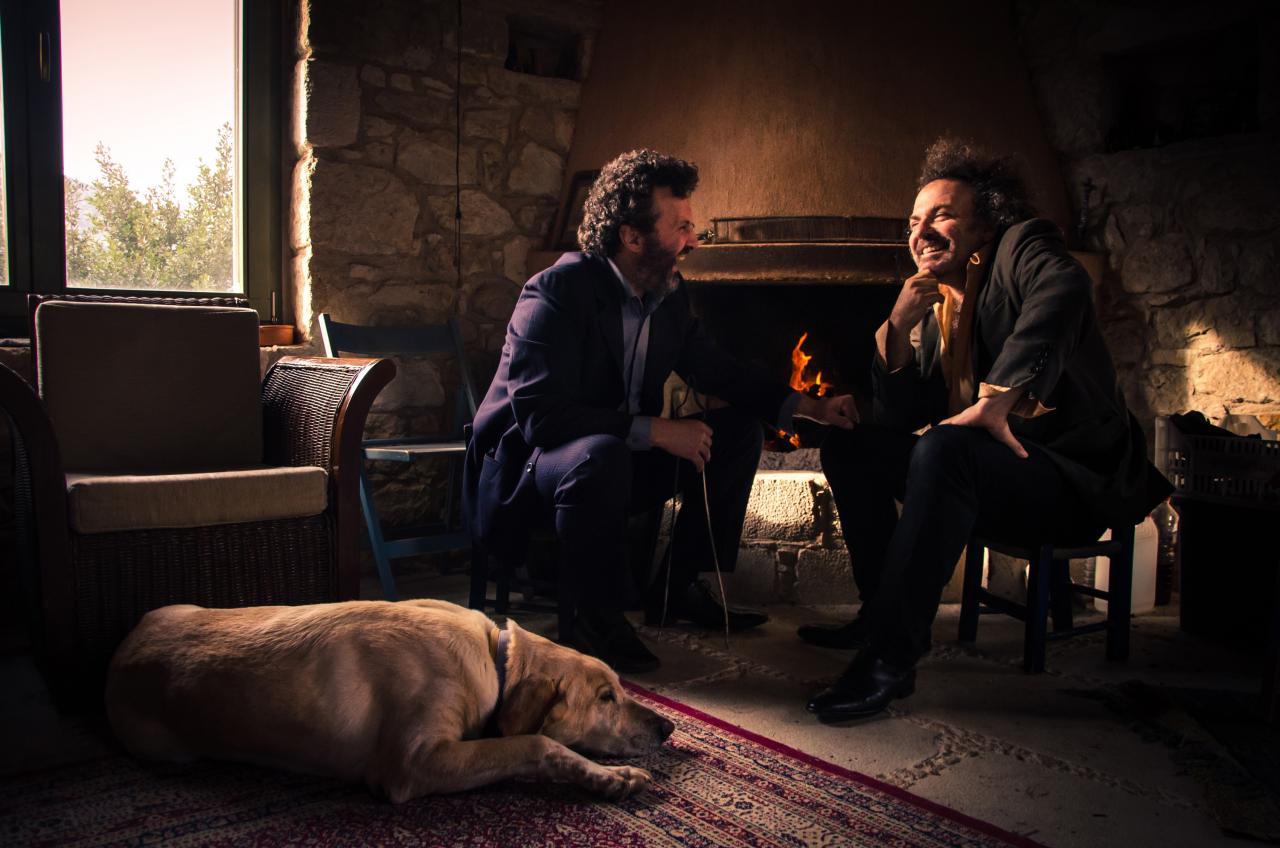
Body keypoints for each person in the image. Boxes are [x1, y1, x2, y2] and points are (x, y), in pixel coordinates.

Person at [801, 138, 1172, 720]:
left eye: (942, 216)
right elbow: (896, 422)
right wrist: (897, 326)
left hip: (1070, 481)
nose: (922, 232)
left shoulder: (1022, 246)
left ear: (985, 226)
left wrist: (1000, 398)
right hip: (988, 479)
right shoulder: (937, 309)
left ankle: (890, 659)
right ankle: (880, 616)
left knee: (947, 448)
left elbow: (1067, 288)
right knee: (855, 447)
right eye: (914, 222)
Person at [464, 149, 856, 673]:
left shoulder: (667, 294)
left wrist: (808, 406)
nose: (694, 241)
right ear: (632, 237)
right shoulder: (557, 290)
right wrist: (655, 431)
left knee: (738, 431)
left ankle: (678, 587)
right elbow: (541, 418)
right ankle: (596, 617)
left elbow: (718, 370)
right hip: (533, 473)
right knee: (601, 454)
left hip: (613, 465)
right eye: (683, 227)